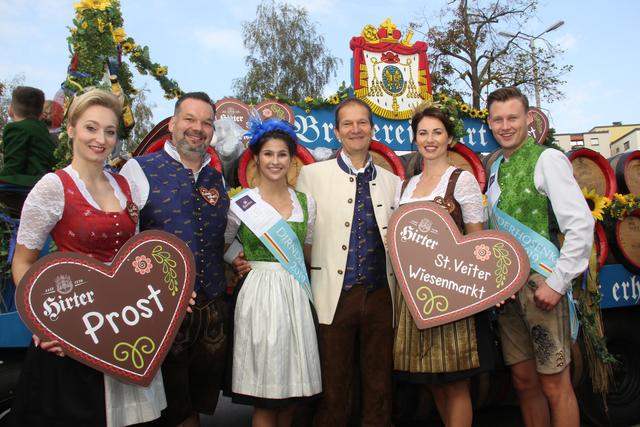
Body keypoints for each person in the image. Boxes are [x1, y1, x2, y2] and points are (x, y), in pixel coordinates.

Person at [9, 89, 166, 426]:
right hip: (74, 328)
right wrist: (41, 321)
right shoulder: (53, 186)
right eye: (91, 128)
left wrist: (169, 290)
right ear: (71, 129)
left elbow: (133, 258)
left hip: (122, 325)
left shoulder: (125, 186)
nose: (101, 139)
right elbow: (23, 261)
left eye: (110, 132)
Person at [485, 87, 594, 427]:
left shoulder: (548, 159)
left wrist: (557, 283)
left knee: (554, 384)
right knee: (523, 382)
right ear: (489, 123)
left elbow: (580, 226)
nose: (505, 126)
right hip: (507, 290)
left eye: (512, 118)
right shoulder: (495, 168)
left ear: (528, 119)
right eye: (498, 119)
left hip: (541, 284)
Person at [120, 92, 230, 427]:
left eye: (206, 122)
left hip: (210, 308)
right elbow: (124, 244)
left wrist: (237, 258)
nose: (197, 128)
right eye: (189, 119)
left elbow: (222, 236)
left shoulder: (216, 175)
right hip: (162, 311)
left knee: (195, 403)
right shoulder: (138, 169)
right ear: (172, 124)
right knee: (169, 409)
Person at [296, 97, 401, 426]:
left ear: (372, 128)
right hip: (332, 296)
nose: (355, 129)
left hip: (382, 294)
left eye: (362, 123)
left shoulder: (393, 183)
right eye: (347, 124)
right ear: (336, 131)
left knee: (380, 384)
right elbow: (301, 239)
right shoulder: (311, 176)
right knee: (332, 387)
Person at [393, 104, 495, 427]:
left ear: (449, 138)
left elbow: (477, 241)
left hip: (452, 295)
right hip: (417, 294)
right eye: (423, 133)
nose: (430, 139)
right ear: (415, 139)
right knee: (433, 379)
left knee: (455, 382)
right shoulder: (408, 185)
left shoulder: (461, 180)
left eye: (437, 132)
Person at [225, 119, 322, 426]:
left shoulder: (306, 204)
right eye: (268, 154)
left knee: (291, 399)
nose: (275, 161)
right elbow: (223, 245)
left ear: (292, 159)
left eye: (282, 154)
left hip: (295, 295)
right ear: (256, 157)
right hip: (257, 297)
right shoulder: (241, 204)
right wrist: (235, 260)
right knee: (266, 401)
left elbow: (306, 254)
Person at [0, 86, 57, 216]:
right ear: (40, 112)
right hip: (45, 180)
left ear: (11, 109)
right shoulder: (40, 127)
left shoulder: (16, 128)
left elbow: (13, 167)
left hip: (31, 184)